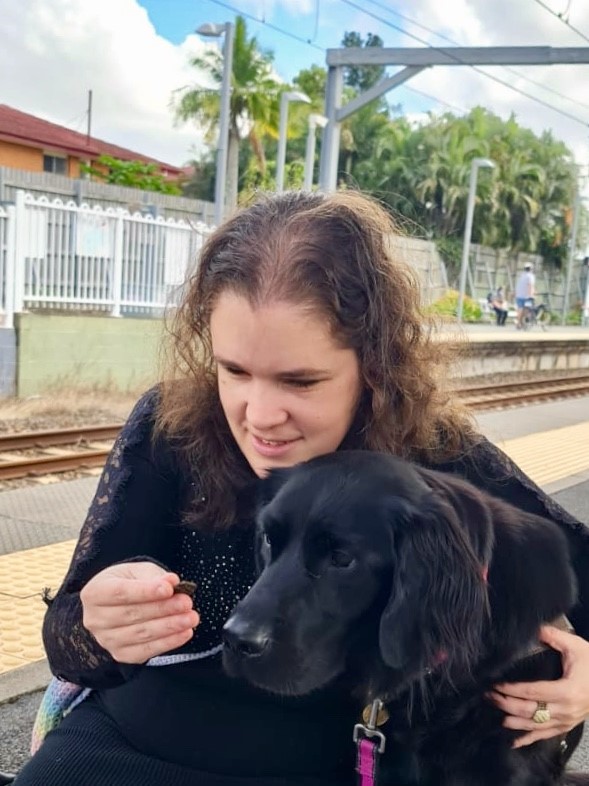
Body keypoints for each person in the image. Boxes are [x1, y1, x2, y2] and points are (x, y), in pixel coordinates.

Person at [13, 191, 589, 786]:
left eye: (301, 380)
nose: (258, 414)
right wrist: (95, 624)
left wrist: (584, 681)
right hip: (125, 749)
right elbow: (66, 642)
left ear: (374, 367)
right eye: (233, 370)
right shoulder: (172, 427)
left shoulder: (434, 458)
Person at [515, 262, 536, 329]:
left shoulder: (522, 275)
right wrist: (531, 295)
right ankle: (524, 323)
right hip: (526, 296)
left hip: (519, 295)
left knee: (520, 309)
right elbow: (530, 286)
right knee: (527, 310)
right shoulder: (530, 276)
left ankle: (519, 323)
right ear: (531, 269)